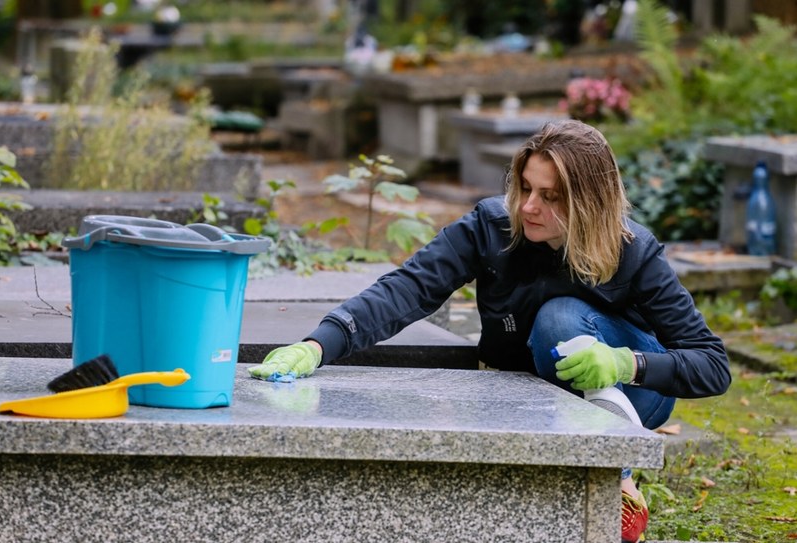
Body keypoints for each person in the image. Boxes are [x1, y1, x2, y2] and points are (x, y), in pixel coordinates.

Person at [250, 119, 731, 543]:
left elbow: (712, 365)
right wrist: (319, 343)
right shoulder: (489, 226)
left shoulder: (634, 252)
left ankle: (616, 469)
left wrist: (627, 363)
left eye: (549, 196)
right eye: (524, 188)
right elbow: (409, 288)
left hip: (631, 390)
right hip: (533, 390)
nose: (527, 206)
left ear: (589, 201)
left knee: (559, 318)